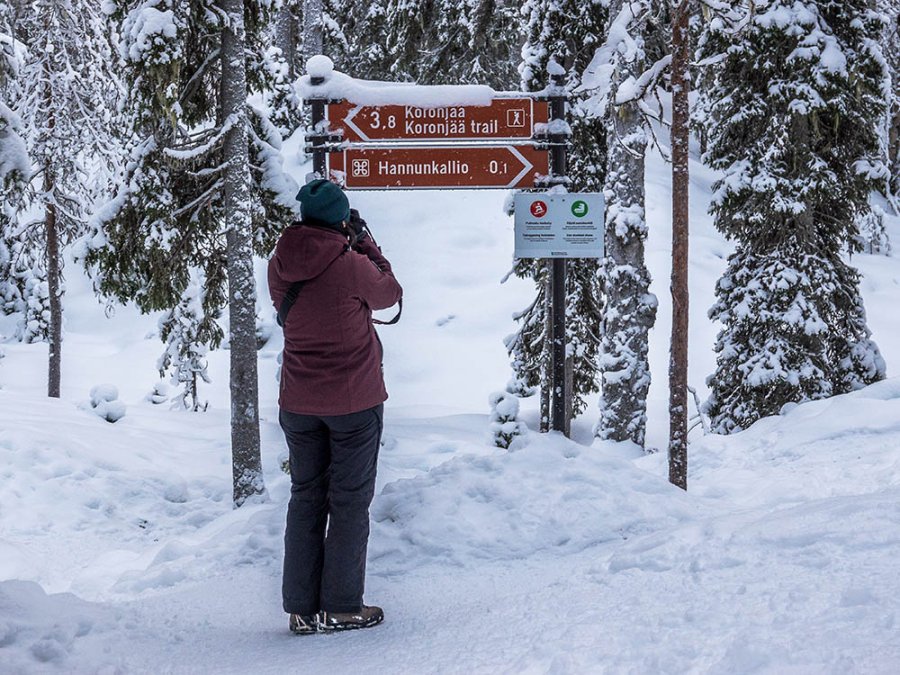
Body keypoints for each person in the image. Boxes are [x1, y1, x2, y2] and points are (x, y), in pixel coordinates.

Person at [268, 179, 402, 634]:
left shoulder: (280, 264)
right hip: (354, 402)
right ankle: (342, 605)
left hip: (298, 402)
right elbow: (390, 292)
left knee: (306, 497)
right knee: (348, 501)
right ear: (342, 221)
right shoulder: (351, 265)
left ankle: (301, 610)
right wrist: (368, 245)